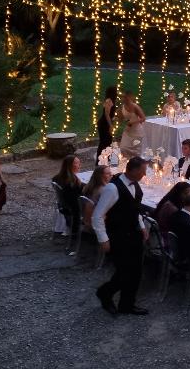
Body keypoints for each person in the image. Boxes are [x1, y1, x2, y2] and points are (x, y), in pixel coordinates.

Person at [93, 156, 149, 316]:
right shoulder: (112, 188)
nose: (144, 174)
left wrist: (142, 225)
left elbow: (134, 208)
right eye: (143, 171)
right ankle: (105, 292)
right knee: (124, 272)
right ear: (134, 170)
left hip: (134, 234)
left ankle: (127, 304)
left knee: (136, 272)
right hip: (119, 236)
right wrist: (103, 239)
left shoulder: (135, 185)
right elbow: (97, 215)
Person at [52, 154, 83, 241]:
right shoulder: (72, 183)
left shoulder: (57, 178)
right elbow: (79, 197)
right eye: (77, 163)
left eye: (79, 162)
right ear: (69, 166)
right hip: (74, 210)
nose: (79, 165)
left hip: (64, 205)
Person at [117, 91, 146, 157]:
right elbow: (121, 120)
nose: (123, 99)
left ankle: (136, 164)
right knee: (123, 148)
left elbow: (143, 118)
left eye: (125, 97)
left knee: (136, 152)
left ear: (129, 97)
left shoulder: (135, 106)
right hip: (127, 132)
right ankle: (128, 163)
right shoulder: (122, 107)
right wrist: (117, 117)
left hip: (137, 132)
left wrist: (133, 122)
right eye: (122, 97)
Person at [96, 85, 119, 160]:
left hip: (106, 123)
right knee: (104, 142)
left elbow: (110, 114)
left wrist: (114, 118)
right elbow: (106, 114)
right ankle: (100, 160)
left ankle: (106, 159)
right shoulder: (108, 101)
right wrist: (110, 125)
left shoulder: (110, 101)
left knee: (108, 142)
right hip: (104, 124)